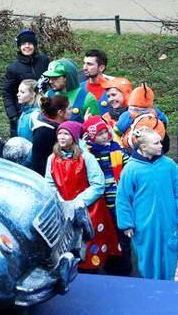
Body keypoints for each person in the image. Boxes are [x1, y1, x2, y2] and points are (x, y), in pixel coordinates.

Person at [116, 128, 178, 280]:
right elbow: (123, 198)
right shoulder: (131, 168)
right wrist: (126, 224)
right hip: (144, 225)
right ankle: (150, 286)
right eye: (156, 143)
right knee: (147, 256)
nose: (161, 146)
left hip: (169, 222)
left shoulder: (169, 165)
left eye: (160, 142)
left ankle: (171, 286)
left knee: (171, 256)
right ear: (143, 147)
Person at [45, 120, 120, 271]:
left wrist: (79, 202)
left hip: (89, 209)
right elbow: (50, 183)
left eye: (66, 134)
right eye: (60, 133)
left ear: (74, 137)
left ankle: (93, 274)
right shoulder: (52, 158)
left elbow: (98, 184)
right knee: (67, 247)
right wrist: (61, 201)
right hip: (64, 209)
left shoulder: (86, 157)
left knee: (90, 248)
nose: (62, 137)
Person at [82, 115, 131, 275]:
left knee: (120, 233)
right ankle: (106, 261)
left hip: (116, 199)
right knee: (104, 233)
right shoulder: (88, 153)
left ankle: (123, 267)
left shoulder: (116, 150)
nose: (104, 136)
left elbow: (128, 166)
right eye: (100, 134)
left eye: (105, 132)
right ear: (91, 136)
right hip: (99, 202)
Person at [2, 30, 49, 137]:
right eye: (23, 44)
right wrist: (13, 116)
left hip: (43, 107)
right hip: (22, 112)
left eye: (30, 43)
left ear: (35, 45)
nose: (27, 46)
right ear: (19, 47)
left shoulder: (44, 61)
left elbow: (49, 82)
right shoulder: (13, 68)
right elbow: (7, 93)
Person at [116, 81, 168, 153]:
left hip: (135, 149)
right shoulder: (155, 111)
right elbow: (165, 121)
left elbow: (119, 129)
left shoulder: (128, 114)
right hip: (155, 146)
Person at [44, 58, 99, 123]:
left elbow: (96, 126)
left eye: (55, 78)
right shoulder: (48, 95)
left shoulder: (87, 98)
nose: (50, 81)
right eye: (49, 78)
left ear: (66, 77)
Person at [31, 95, 68, 176]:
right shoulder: (46, 132)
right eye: (69, 108)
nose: (72, 111)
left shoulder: (54, 127)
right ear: (60, 113)